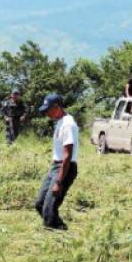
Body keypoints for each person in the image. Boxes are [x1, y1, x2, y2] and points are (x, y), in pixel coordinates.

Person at [34, 94, 79, 230]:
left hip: (65, 168)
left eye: (48, 110)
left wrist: (59, 182)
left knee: (48, 210)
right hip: (55, 166)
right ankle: (56, 224)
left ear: (57, 107)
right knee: (40, 204)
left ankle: (56, 233)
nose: (47, 113)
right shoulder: (59, 122)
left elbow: (67, 155)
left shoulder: (68, 124)